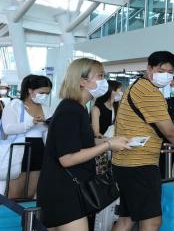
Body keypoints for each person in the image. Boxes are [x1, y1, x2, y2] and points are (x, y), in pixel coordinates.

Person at [36, 58, 130, 230]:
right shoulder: (70, 110)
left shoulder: (78, 108)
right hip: (63, 189)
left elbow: (82, 141)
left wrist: (111, 140)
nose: (104, 82)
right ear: (82, 81)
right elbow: (67, 158)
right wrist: (108, 146)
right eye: (100, 76)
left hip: (70, 187)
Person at [111, 51, 174, 231]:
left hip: (125, 162)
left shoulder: (137, 86)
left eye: (170, 72)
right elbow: (169, 130)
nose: (166, 76)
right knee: (152, 221)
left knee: (127, 218)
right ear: (149, 69)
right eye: (161, 70)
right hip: (140, 164)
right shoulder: (149, 92)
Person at [2, 75, 53, 199]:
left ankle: (26, 218)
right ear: (30, 90)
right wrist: (31, 123)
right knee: (14, 195)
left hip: (39, 150)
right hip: (20, 150)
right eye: (41, 92)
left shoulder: (46, 108)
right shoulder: (15, 105)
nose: (45, 96)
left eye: (47, 93)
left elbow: (48, 133)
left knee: (30, 193)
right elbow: (7, 128)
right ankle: (9, 218)